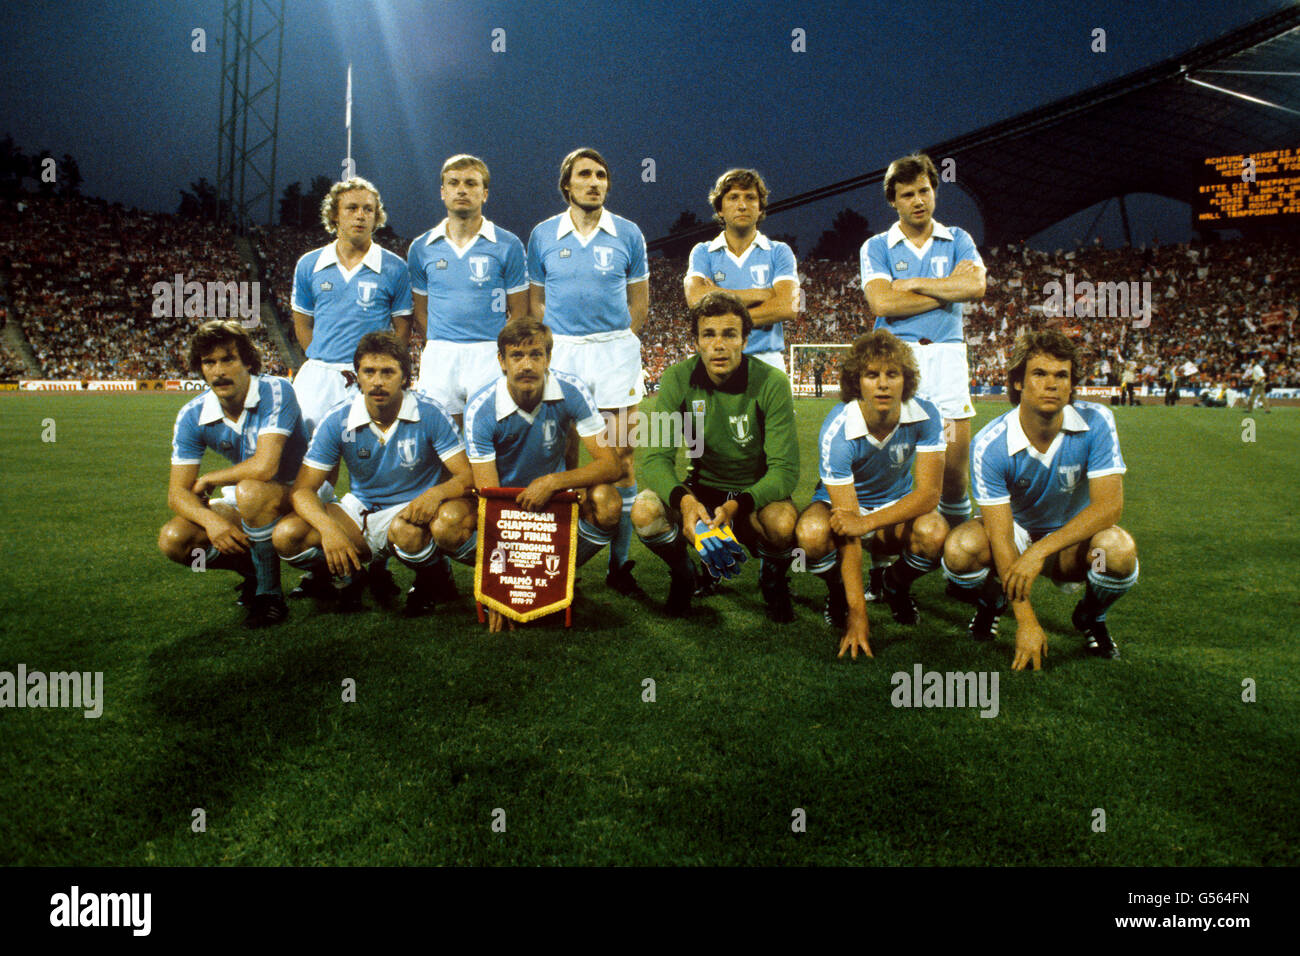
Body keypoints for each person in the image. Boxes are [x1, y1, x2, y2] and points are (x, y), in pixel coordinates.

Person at [942, 330, 1139, 669]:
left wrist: (1041, 551)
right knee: (960, 551)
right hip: (1016, 540)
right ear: (1018, 382)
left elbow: (1109, 507)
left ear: (1072, 383)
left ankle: (1092, 615)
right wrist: (1027, 621)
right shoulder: (991, 443)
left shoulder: (1097, 421)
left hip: (1070, 546)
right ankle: (993, 604)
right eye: (1040, 374)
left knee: (1117, 553)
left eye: (1062, 375)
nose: (1052, 384)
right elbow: (1001, 537)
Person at [271, 332, 475, 616]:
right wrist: (329, 530)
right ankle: (351, 575)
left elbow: (468, 476)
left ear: (405, 377)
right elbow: (302, 490)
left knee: (406, 533)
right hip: (362, 510)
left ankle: (434, 575)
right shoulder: (338, 419)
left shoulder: (429, 413)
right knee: (287, 536)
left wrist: (436, 493)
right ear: (357, 376)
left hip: (414, 512)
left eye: (388, 372)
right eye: (369, 372)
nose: (378, 381)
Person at [632, 291, 799, 619]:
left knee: (782, 524)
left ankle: (773, 576)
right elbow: (654, 459)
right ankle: (684, 575)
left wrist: (740, 504)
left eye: (729, 334)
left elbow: (785, 470)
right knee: (644, 511)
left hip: (755, 493)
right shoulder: (677, 378)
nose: (719, 344)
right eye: (709, 334)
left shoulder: (772, 382)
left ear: (745, 340)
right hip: (702, 489)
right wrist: (685, 501)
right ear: (696, 341)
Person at [527, 148, 649, 595]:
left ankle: (620, 567)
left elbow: (640, 301)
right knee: (566, 459)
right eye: (584, 175)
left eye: (601, 175)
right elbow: (536, 300)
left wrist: (626, 338)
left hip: (615, 351)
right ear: (567, 185)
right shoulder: (542, 235)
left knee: (622, 460)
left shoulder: (628, 233)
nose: (594, 182)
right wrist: (555, 344)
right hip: (566, 354)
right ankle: (566, 565)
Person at [290, 176, 413, 601]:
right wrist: (326, 361)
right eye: (351, 208)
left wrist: (362, 369)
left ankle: (375, 558)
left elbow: (400, 330)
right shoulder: (309, 264)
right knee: (312, 470)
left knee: (372, 463)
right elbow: (303, 324)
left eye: (368, 209)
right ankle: (324, 560)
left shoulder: (394, 267)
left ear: (377, 217)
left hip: (370, 377)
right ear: (334, 215)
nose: (361, 215)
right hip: (320, 374)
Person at [463, 317, 624, 632]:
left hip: (554, 507)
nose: (526, 365)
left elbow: (611, 464)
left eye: (535, 355)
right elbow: (489, 502)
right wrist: (500, 590)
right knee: (449, 525)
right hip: (507, 512)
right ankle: (530, 580)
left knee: (608, 501)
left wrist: (552, 482)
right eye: (516, 356)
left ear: (548, 359)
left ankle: (558, 575)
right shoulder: (480, 409)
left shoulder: (571, 390)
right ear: (501, 361)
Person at [794, 331, 947, 659]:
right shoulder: (838, 432)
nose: (883, 384)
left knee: (934, 532)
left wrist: (868, 523)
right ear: (856, 382)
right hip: (840, 503)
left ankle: (894, 584)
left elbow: (929, 494)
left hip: (895, 502)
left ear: (906, 380)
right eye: (871, 374)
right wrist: (857, 613)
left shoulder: (927, 414)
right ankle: (837, 593)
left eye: (893, 374)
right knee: (810, 534)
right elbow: (847, 525)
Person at [860, 153, 987, 530]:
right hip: (898, 362)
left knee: (953, 474)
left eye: (925, 190)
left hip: (947, 360)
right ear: (893, 200)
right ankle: (885, 567)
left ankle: (958, 567)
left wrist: (913, 284)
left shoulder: (958, 239)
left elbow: (976, 285)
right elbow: (882, 301)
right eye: (908, 194)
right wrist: (950, 289)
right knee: (891, 465)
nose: (918, 200)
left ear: (934, 192)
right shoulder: (877, 246)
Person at [158, 321, 308, 627]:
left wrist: (211, 478)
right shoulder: (192, 414)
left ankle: (269, 597)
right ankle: (255, 572)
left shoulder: (276, 390)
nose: (218, 370)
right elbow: (177, 493)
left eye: (228, 359)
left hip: (300, 494)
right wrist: (213, 523)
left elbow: (265, 467)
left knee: (251, 490)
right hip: (246, 497)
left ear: (248, 362)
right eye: (209, 362)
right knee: (175, 540)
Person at [408, 155, 528, 425]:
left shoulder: (508, 244)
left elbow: (520, 311)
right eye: (454, 183)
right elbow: (421, 310)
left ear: (484, 193)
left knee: (490, 441)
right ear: (443, 192)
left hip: (489, 354)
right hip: (439, 356)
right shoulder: (421, 247)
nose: (462, 189)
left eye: (471, 183)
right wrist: (443, 341)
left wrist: (498, 350)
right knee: (441, 443)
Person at [684, 168, 798, 374]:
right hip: (716, 361)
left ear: (761, 208)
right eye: (733, 197)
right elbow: (695, 299)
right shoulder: (703, 252)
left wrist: (719, 304)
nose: (742, 205)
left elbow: (787, 306)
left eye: (751, 198)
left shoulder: (779, 251)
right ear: (720, 209)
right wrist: (760, 294)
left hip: (766, 362)